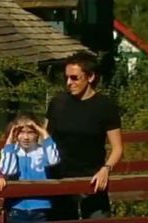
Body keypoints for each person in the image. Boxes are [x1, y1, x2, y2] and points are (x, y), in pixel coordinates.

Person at [45, 51, 124, 220]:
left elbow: (117, 149)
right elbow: (44, 139)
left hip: (93, 180)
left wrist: (106, 169)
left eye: (75, 78)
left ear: (90, 77)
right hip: (60, 179)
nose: (69, 83)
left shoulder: (105, 106)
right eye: (66, 78)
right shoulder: (58, 103)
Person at [0, 113, 60, 223]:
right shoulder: (11, 151)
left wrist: (43, 132)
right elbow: (8, 170)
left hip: (40, 208)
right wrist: (10, 141)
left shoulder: (43, 151)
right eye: (21, 132)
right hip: (16, 207)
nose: (26, 137)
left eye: (30, 132)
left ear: (37, 134)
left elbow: (54, 160)